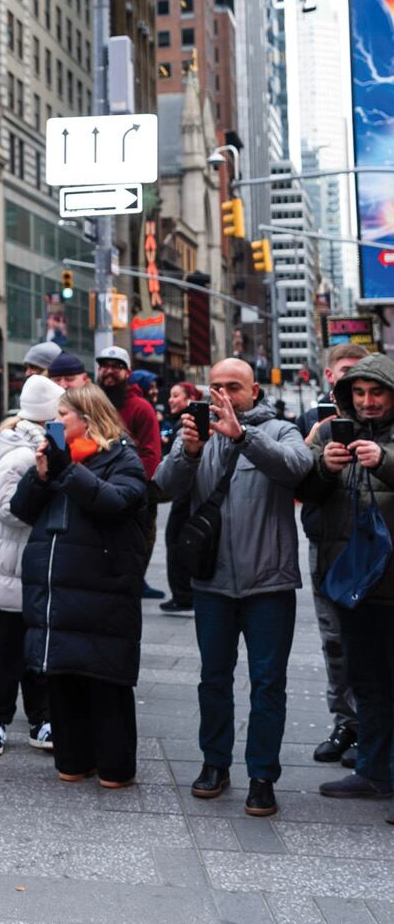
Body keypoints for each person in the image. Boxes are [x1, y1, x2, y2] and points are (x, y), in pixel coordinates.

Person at [155, 358, 310, 818]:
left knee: (267, 685)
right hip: (213, 584)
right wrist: (187, 451)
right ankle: (214, 764)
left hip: (269, 583)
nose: (222, 395)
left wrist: (243, 435)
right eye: (215, 386)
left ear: (254, 391)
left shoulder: (280, 430)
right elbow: (161, 487)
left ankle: (262, 776)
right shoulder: (198, 438)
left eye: (233, 387)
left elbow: (298, 470)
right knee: (213, 680)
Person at [11, 383, 149, 788]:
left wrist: (68, 472)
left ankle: (115, 766)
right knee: (63, 676)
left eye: (62, 417)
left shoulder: (121, 456)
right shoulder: (55, 459)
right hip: (55, 586)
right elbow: (20, 509)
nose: (54, 424)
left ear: (87, 419)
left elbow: (119, 502)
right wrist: (40, 476)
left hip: (101, 585)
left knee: (106, 680)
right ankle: (73, 758)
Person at [298, 354, 394, 813]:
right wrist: (324, 468)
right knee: (368, 682)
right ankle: (373, 772)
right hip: (355, 584)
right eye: (359, 393)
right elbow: (306, 494)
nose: (368, 402)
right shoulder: (336, 432)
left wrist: (386, 461)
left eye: (376, 392)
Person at [0, 374, 61, 755]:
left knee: (33, 650)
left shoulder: (29, 443)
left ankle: (39, 718)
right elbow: (10, 508)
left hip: (24, 564)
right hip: (15, 565)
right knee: (10, 650)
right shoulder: (23, 452)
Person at [300, 342, 369, 763]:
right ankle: (347, 724)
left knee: (374, 642)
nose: (359, 390)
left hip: (374, 551)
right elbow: (302, 488)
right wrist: (319, 459)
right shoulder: (316, 424)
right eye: (347, 374)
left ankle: (375, 730)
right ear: (330, 377)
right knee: (335, 643)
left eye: (366, 377)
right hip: (327, 547)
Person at [96, 345, 163, 599]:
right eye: (104, 366)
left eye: (116, 367)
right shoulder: (92, 403)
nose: (109, 371)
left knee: (139, 540)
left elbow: (151, 453)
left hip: (134, 490)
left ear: (128, 372)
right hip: (98, 486)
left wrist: (137, 487)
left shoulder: (141, 408)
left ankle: (136, 581)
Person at [158, 381, 203, 614]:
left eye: (176, 396)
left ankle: (183, 594)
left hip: (186, 492)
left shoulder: (187, 423)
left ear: (189, 398)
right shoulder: (178, 422)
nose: (171, 400)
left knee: (176, 540)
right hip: (185, 491)